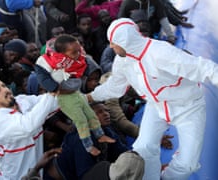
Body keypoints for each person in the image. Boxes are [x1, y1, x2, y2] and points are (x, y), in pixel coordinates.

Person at [86, 18, 218, 179]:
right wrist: (91, 97)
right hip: (156, 106)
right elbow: (115, 86)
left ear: (124, 41)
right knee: (144, 147)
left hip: (188, 107)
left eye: (113, 43)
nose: (111, 46)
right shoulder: (122, 61)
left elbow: (203, 68)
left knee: (187, 164)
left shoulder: (161, 53)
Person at [35, 34, 115, 156]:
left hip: (76, 92)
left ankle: (100, 135)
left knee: (90, 114)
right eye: (73, 52)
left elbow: (87, 64)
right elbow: (41, 74)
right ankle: (89, 146)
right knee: (81, 120)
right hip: (63, 96)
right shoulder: (49, 62)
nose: (77, 54)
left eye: (79, 50)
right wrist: (54, 87)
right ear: (61, 53)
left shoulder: (77, 58)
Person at [0, 75, 58, 180]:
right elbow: (29, 126)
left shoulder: (21, 100)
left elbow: (50, 103)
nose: (5, 90)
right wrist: (52, 92)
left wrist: (85, 97)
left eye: (3, 86)